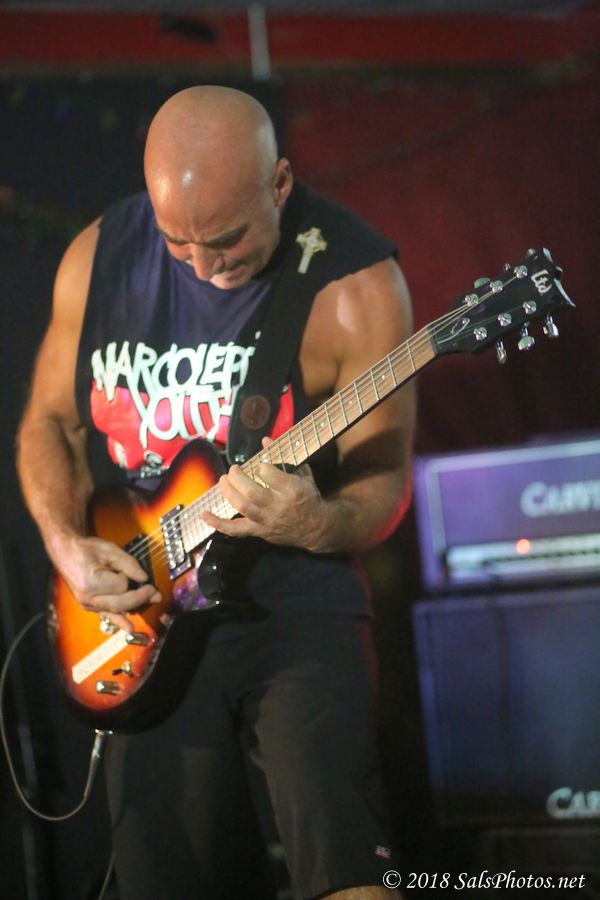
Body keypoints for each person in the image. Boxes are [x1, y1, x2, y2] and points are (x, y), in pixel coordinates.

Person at [17, 86, 415, 900]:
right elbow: (49, 423)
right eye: (178, 244)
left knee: (346, 859)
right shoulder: (99, 258)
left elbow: (386, 483)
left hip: (295, 600)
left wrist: (321, 521)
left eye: (227, 239)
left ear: (279, 183)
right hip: (150, 612)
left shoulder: (355, 281)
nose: (203, 266)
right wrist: (66, 544)